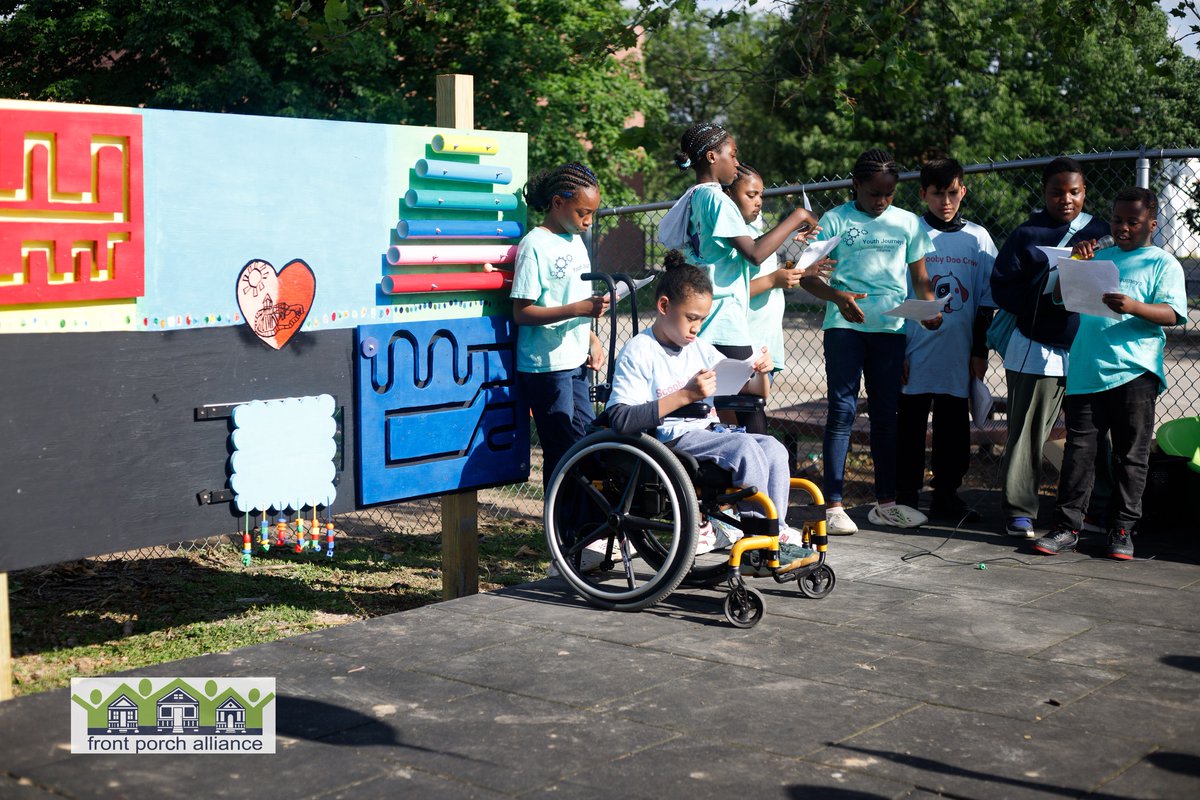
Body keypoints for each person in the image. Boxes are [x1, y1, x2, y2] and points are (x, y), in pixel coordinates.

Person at [605, 252, 828, 571]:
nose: (697, 327)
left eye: (702, 319)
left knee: (775, 448)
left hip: (708, 434)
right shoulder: (639, 352)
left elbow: (757, 393)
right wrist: (686, 394)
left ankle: (774, 536)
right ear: (664, 306)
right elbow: (621, 418)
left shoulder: (699, 349)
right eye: (691, 318)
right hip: (671, 441)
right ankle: (756, 540)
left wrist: (760, 370)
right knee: (747, 448)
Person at [1032, 187, 1187, 560]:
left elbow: (1172, 314)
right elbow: (1058, 296)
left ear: (1152, 223)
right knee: (1079, 453)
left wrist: (1135, 306)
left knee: (1130, 455)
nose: (1122, 228)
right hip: (1087, 370)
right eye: (1117, 220)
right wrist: (1073, 262)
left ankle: (1122, 529)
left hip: (1134, 372)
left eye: (1133, 222)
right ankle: (1067, 527)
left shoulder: (1162, 263)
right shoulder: (1099, 257)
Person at [799, 148, 943, 535]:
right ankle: (834, 505)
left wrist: (930, 311)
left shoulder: (908, 223)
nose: (881, 201)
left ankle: (886, 503)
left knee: (885, 416)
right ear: (856, 185)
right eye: (874, 193)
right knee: (842, 412)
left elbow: (921, 280)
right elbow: (808, 276)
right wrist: (837, 298)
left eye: (889, 194)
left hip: (891, 332)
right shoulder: (835, 220)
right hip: (845, 330)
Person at [657, 122, 818, 434]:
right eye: (733, 155)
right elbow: (754, 253)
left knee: (723, 408)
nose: (737, 163)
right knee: (752, 404)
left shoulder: (695, 197)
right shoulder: (717, 199)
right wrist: (797, 216)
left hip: (710, 318)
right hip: (725, 322)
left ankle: (731, 474)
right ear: (712, 156)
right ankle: (760, 474)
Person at [989, 157, 1110, 538]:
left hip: (1088, 349)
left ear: (1084, 192)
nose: (1066, 199)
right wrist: (1052, 278)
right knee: (1027, 432)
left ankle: (1096, 508)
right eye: (1057, 192)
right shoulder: (1027, 234)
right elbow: (1002, 290)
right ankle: (1019, 510)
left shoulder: (1102, 231)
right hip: (1038, 348)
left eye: (1074, 192)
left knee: (1094, 434)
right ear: (1044, 193)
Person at [896, 157, 998, 522]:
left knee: (953, 430)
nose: (946, 202)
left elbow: (986, 300)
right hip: (914, 352)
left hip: (958, 355)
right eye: (937, 194)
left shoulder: (979, 239)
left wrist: (979, 349)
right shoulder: (909, 231)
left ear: (963, 191)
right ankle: (905, 495)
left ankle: (946, 496)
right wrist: (898, 351)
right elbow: (897, 292)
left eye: (953, 193)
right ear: (923, 194)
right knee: (909, 428)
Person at [510, 162, 609, 491]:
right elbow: (523, 312)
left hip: (575, 362)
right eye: (583, 212)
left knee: (588, 442)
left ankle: (578, 528)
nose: (588, 221)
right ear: (558, 203)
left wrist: (591, 337)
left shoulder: (575, 241)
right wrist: (580, 309)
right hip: (546, 367)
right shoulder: (534, 245)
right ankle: (563, 531)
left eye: (592, 213)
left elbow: (573, 299)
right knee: (564, 450)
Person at [727, 163, 833, 388]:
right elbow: (731, 292)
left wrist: (803, 270)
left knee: (754, 411)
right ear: (728, 195)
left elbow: (771, 269)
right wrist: (773, 281)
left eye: (761, 195)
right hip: (744, 345)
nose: (758, 201)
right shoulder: (734, 238)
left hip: (766, 345)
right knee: (743, 414)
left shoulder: (755, 232)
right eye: (751, 194)